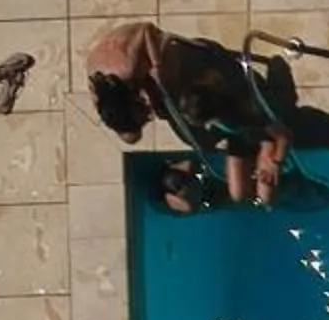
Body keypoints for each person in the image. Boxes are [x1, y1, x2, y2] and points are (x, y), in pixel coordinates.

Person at [86, 21, 293, 208]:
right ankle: (188, 171)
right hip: (231, 121)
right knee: (137, 136)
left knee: (173, 89)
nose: (149, 115)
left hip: (182, 60)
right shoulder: (103, 94)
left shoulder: (126, 69)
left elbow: (146, 28)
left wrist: (156, 66)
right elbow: (128, 132)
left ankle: (188, 171)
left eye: (144, 112)